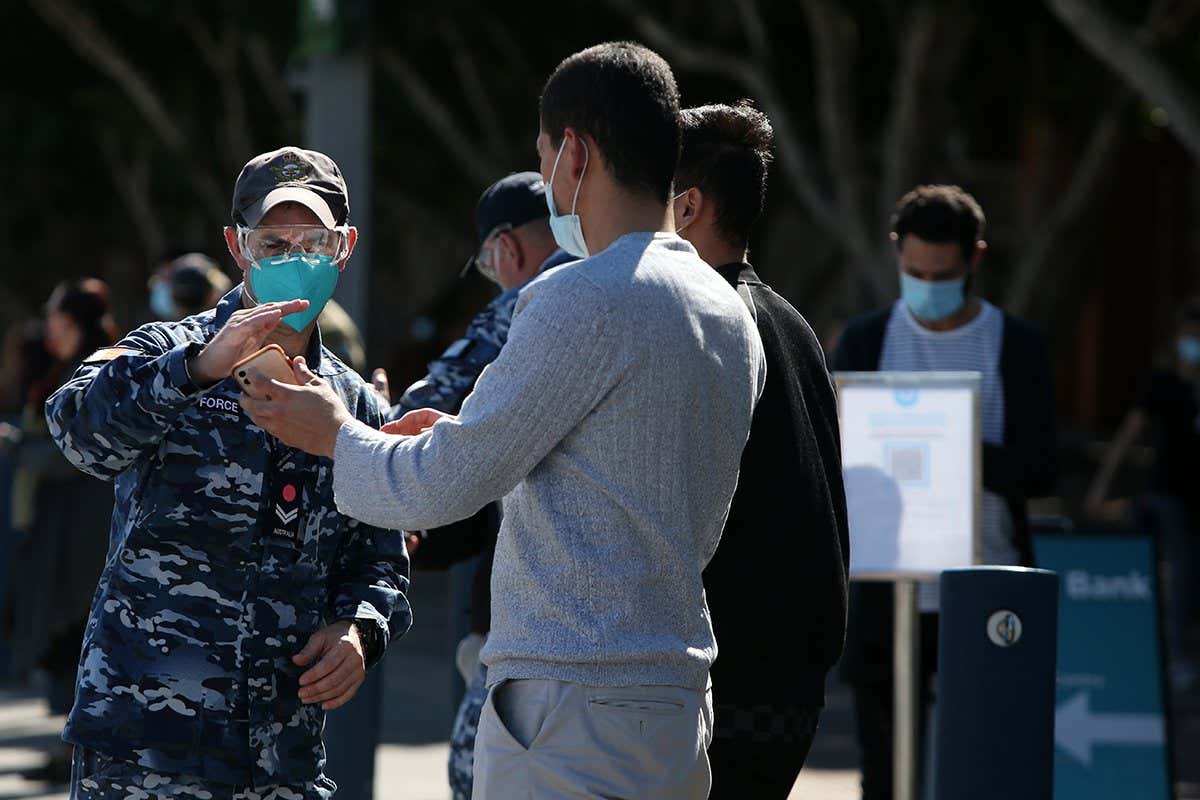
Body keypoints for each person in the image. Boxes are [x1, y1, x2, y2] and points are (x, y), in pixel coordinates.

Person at [241, 42, 765, 799]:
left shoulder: (578, 296)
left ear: (573, 153)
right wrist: (449, 438)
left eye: (546, 153)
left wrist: (332, 432)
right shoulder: (724, 307)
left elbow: (440, 486)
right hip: (675, 698)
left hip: (571, 702)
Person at [45, 146, 412, 800]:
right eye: (273, 241)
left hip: (279, 760)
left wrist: (360, 628)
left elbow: (381, 556)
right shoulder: (166, 353)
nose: (294, 259)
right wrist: (198, 369)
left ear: (345, 247)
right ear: (237, 247)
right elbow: (78, 430)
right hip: (144, 751)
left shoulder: (355, 405)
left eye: (314, 241)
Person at [834, 184, 1057, 799]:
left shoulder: (1016, 347)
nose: (927, 286)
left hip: (988, 584)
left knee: (989, 764)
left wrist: (948, 442)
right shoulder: (866, 341)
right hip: (887, 592)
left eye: (943, 274)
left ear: (975, 259)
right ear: (895, 254)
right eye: (913, 272)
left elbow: (1041, 469)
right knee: (885, 769)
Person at [372, 170, 571, 800]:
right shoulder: (621, 292)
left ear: (504, 249)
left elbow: (421, 411)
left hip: (528, 609)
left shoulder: (531, 300)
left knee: (476, 774)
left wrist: (369, 419)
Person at [671, 101, 850, 798]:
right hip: (791, 677)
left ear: (685, 207)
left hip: (728, 677)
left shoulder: (705, 320)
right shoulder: (792, 321)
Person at [0, 282, 118, 785]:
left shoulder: (96, 368)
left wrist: (17, 448)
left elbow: (75, 446)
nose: (49, 326)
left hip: (83, 529)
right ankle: (72, 748)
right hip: (59, 525)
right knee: (66, 636)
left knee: (79, 632)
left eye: (56, 317)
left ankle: (80, 752)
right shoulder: (61, 368)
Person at [1086, 299, 1200, 688]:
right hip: (1167, 495)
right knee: (1174, 574)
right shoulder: (1163, 385)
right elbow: (1129, 434)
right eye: (1189, 336)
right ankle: (1170, 656)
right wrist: (1102, 487)